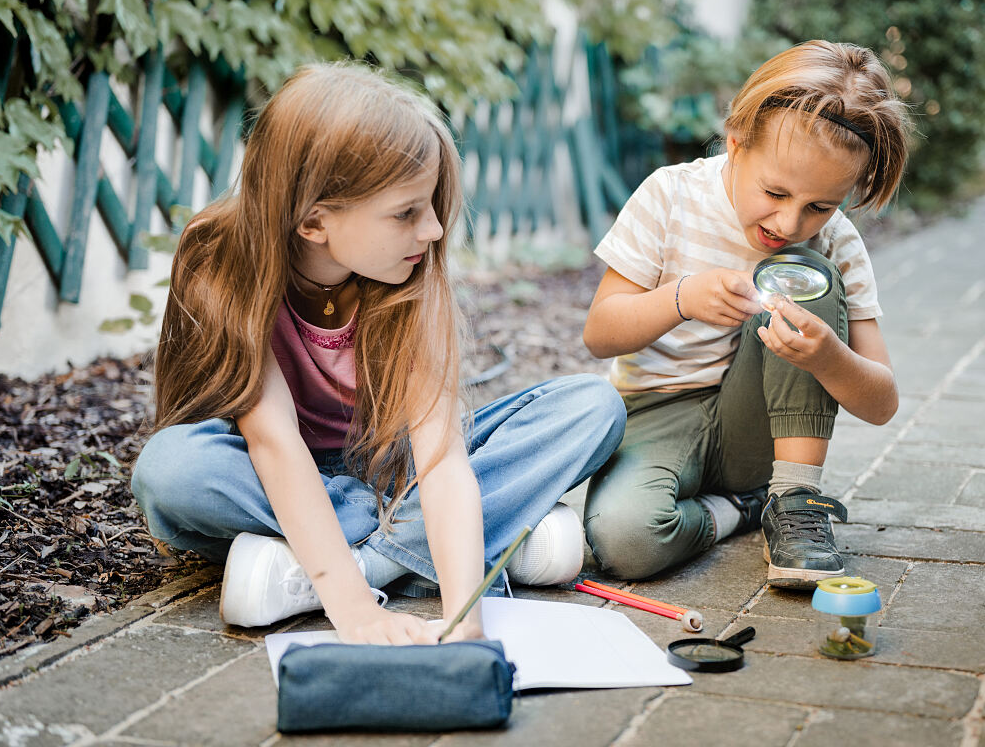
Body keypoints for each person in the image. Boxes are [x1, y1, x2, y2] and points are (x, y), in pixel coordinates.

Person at [131, 63, 625, 645]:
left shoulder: (407, 270)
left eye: (432, 207)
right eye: (406, 213)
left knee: (593, 405)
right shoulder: (219, 255)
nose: (435, 230)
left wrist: (464, 617)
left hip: (394, 468)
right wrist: (359, 615)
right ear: (314, 220)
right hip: (266, 473)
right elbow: (274, 444)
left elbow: (439, 460)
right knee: (171, 471)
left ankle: (342, 564)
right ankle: (472, 541)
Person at [581, 40, 911, 588]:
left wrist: (830, 357)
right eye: (775, 192)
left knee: (811, 277)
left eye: (820, 206)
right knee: (625, 540)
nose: (788, 222)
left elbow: (882, 403)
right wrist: (681, 298)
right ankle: (740, 508)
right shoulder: (670, 197)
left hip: (757, 428)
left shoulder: (835, 244)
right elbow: (600, 333)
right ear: (736, 146)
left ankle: (793, 498)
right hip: (654, 413)